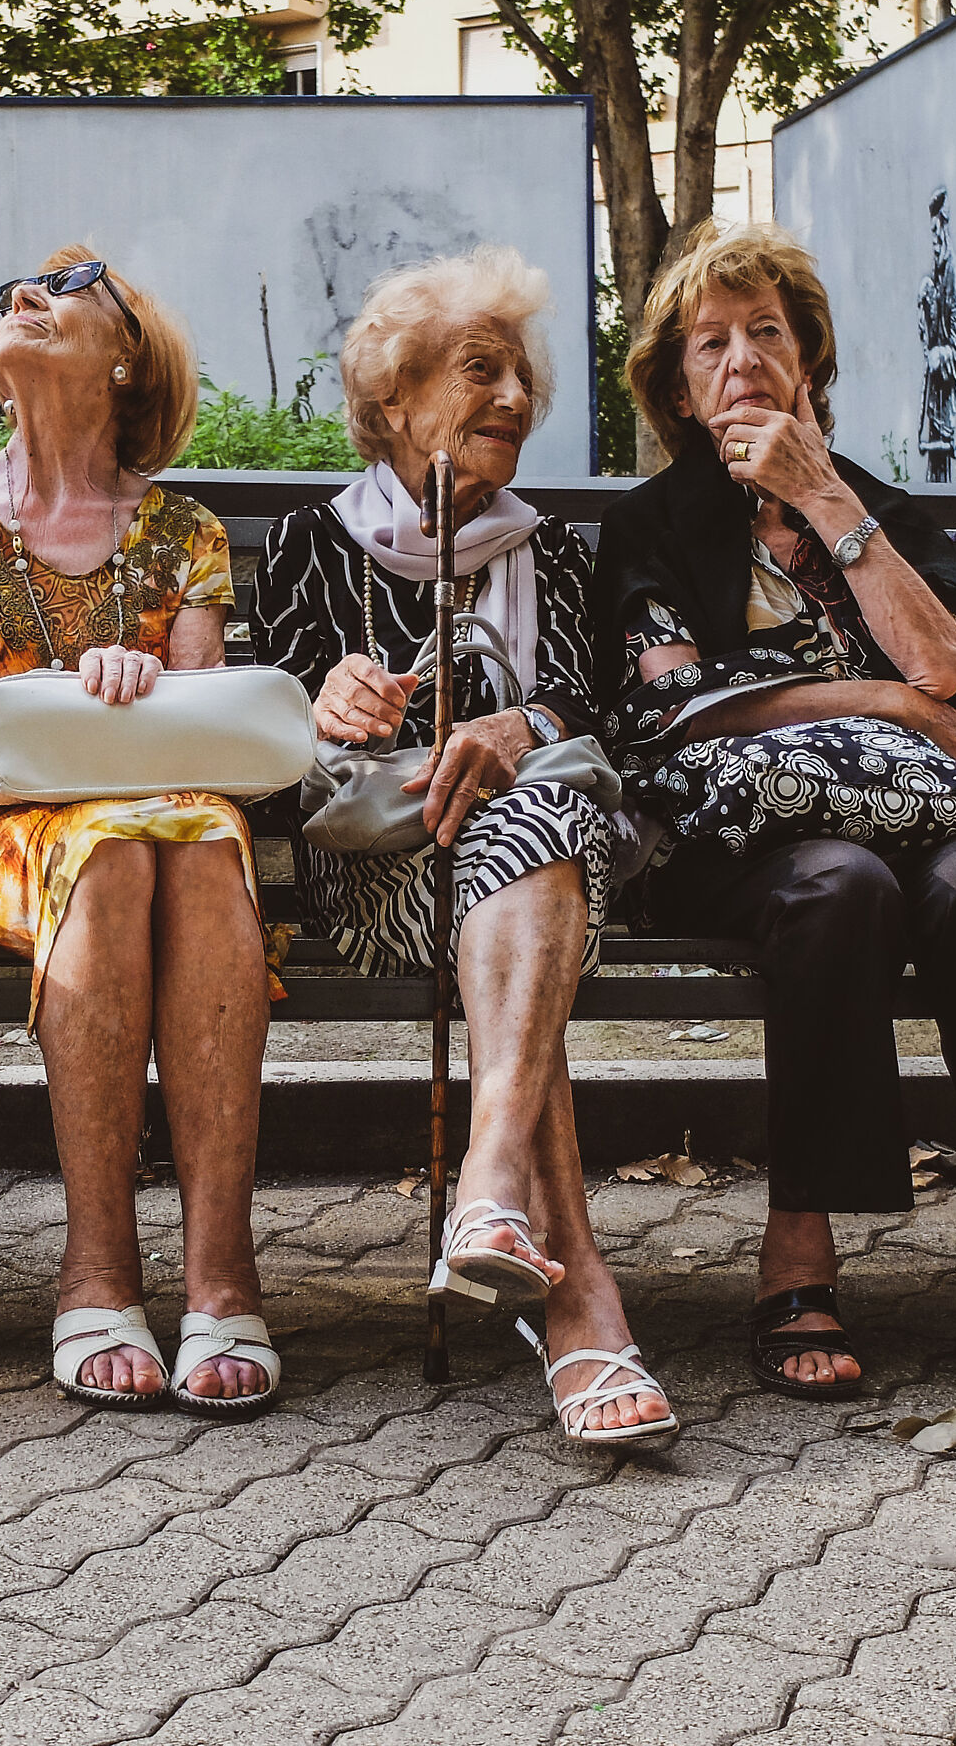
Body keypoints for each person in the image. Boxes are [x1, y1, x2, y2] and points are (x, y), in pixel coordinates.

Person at [594, 220, 956, 1402]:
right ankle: (800, 1246)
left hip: (925, 821)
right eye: (709, 343)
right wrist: (875, 695)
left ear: (809, 358)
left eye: (766, 333)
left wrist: (823, 499)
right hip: (739, 837)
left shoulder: (885, 513)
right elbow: (681, 705)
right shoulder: (652, 525)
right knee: (841, 888)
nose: (742, 361)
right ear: (677, 382)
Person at [254, 246, 677, 1450]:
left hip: (550, 873)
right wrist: (320, 694)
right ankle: (574, 1288)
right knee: (521, 843)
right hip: (383, 873)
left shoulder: (558, 552)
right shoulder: (309, 545)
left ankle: (498, 1200)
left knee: (532, 808)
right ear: (393, 402)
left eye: (521, 377)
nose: (512, 398)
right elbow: (265, 733)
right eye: (477, 371)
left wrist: (524, 722)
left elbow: (612, 718)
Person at [0, 247, 280, 1418]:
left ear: (128, 357)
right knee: (119, 845)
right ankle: (96, 1267)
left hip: (164, 826)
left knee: (187, 836)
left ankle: (218, 1273)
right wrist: (75, 697)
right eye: (14, 296)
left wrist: (139, 689)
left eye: (66, 290)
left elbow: (200, 740)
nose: (22, 298)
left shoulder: (184, 529)